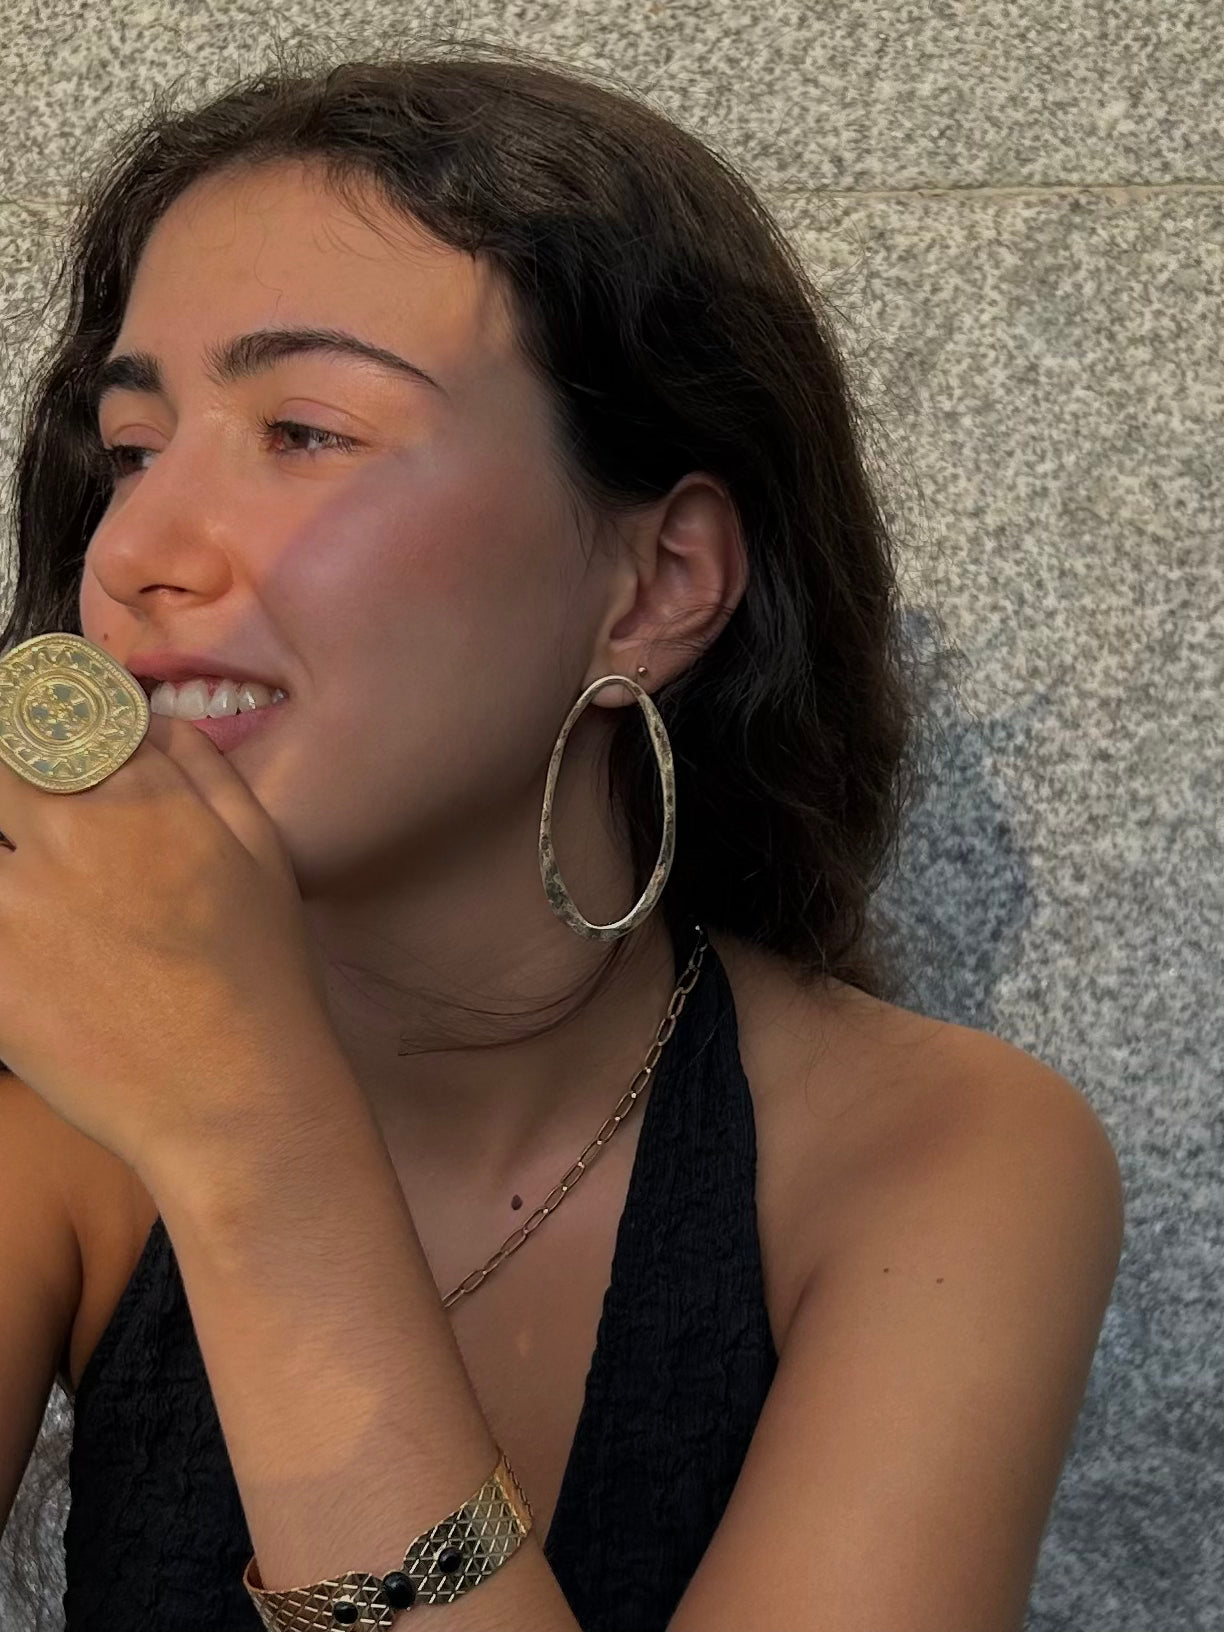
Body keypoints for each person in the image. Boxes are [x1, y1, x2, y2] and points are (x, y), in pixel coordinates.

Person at [0, 44, 1123, 1632]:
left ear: (658, 586)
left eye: (305, 429)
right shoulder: (48, 1125)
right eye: (131, 449)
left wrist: (251, 1147)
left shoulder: (938, 1156)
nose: (135, 550)